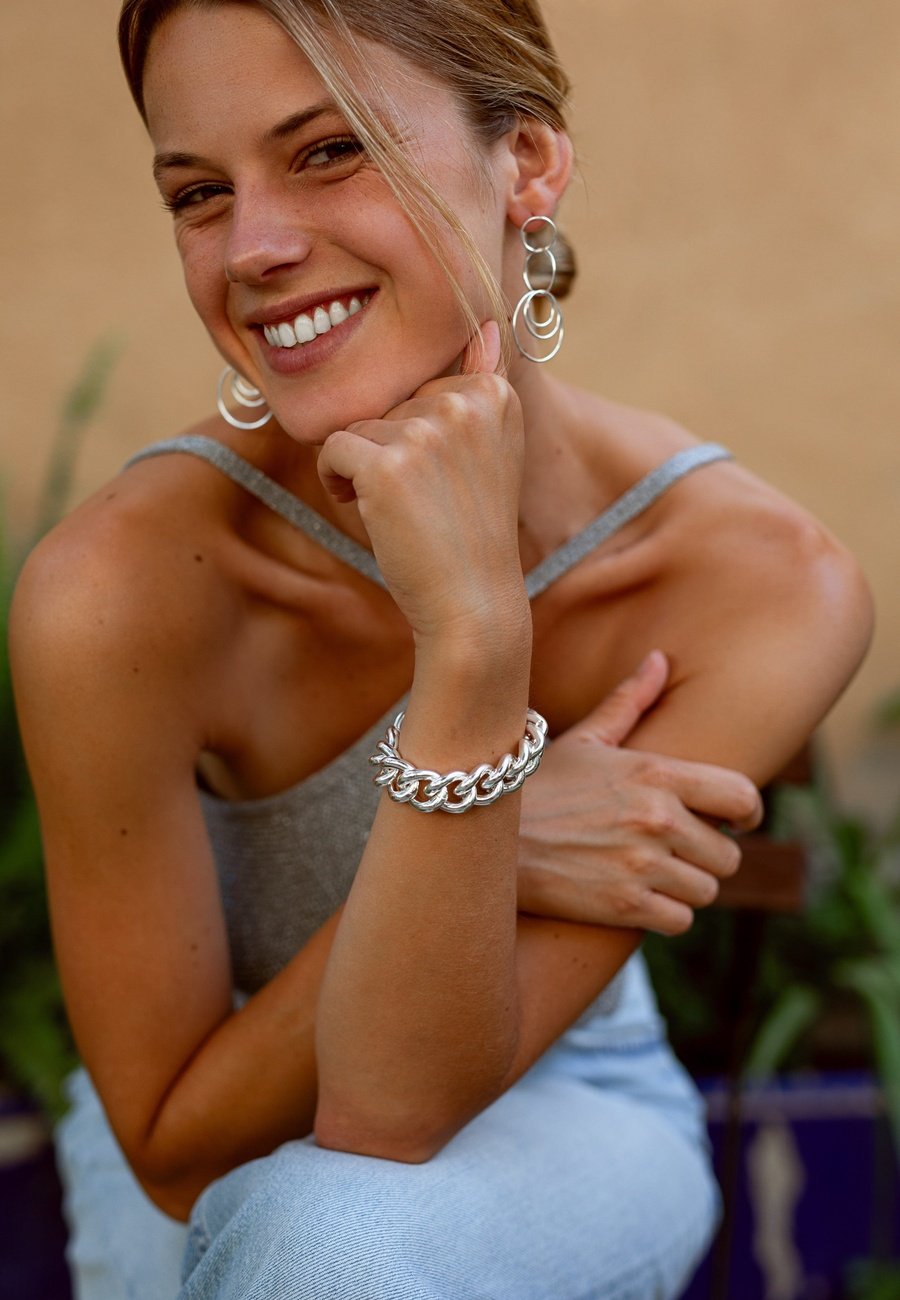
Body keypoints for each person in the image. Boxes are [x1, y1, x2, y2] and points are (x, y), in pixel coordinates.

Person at [10, 1, 871, 1296]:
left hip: (562, 1097)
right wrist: (508, 837)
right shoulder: (122, 593)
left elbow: (389, 1110)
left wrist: (473, 637)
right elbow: (176, 1148)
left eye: (329, 150)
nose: (252, 247)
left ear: (527, 162)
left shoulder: (759, 587)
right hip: (205, 1113)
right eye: (198, 193)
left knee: (322, 1241)